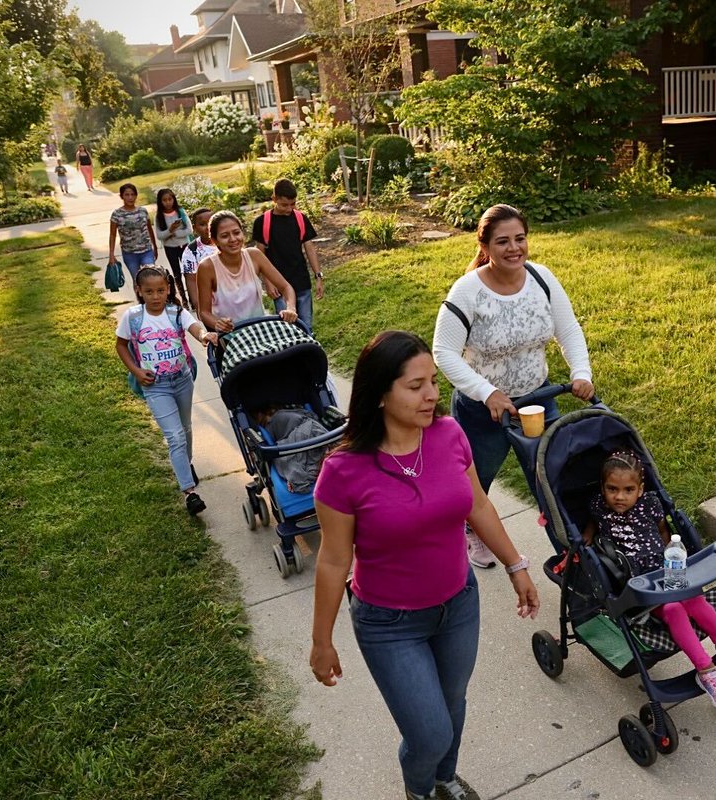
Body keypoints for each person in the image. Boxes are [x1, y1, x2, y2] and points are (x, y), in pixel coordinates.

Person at [311, 330, 540, 800]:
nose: (433, 395)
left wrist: (516, 565)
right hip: (389, 622)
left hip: (459, 604)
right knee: (430, 732)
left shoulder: (449, 435)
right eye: (416, 387)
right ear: (379, 395)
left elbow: (477, 505)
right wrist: (321, 641)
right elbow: (334, 562)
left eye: (433, 382)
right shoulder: (344, 472)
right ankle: (419, 791)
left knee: (453, 706)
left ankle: (444, 780)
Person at [433, 203, 595, 569]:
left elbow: (567, 330)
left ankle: (573, 557)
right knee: (479, 479)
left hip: (538, 401)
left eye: (520, 239)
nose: (514, 248)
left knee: (551, 479)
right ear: (485, 246)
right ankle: (472, 530)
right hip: (482, 408)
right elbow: (443, 352)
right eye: (503, 241)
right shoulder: (467, 291)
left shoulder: (541, 279)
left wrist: (580, 372)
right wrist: (486, 392)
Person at [583, 450, 716, 710]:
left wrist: (672, 557)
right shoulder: (599, 506)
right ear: (603, 488)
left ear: (640, 489)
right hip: (640, 584)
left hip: (667, 569)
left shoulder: (650, 503)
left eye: (628, 489)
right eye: (612, 489)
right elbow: (592, 526)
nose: (619, 497)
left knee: (693, 597)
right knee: (674, 608)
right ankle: (707, 671)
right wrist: (585, 538)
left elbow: (664, 530)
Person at [114, 266, 218, 515]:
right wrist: (137, 371)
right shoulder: (133, 317)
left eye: (161, 290)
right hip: (155, 386)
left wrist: (204, 337)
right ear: (139, 291)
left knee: (186, 429)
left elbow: (195, 328)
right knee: (174, 436)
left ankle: (187, 463)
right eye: (149, 292)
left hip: (181, 380)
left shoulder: (176, 312)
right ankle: (189, 492)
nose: (156, 296)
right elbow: (121, 346)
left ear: (168, 289)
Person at [197, 210, 297, 333]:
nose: (233, 239)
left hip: (260, 330)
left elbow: (286, 287)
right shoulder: (207, 267)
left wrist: (291, 308)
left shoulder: (254, 255)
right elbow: (204, 312)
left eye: (236, 233)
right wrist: (218, 323)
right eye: (224, 236)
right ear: (215, 240)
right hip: (231, 336)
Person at [251, 179, 324, 334]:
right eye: (285, 205)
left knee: (306, 327)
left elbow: (309, 248)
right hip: (279, 285)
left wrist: (318, 276)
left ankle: (307, 356)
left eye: (293, 204)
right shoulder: (262, 222)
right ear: (274, 199)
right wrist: (268, 283)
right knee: (287, 329)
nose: (289, 209)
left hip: (301, 281)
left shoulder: (300, 218)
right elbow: (260, 255)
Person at [108, 183, 158, 285]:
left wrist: (155, 247)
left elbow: (149, 229)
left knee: (150, 278)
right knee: (137, 282)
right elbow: (112, 235)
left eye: (132, 194)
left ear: (136, 195)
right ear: (122, 196)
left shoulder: (143, 211)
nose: (130, 197)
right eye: (127, 195)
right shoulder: (117, 214)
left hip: (146, 251)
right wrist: (111, 255)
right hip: (129, 253)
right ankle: (141, 300)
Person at [155, 188, 193, 306]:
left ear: (174, 199)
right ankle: (184, 299)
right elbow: (160, 235)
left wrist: (176, 233)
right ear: (160, 202)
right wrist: (170, 231)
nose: (168, 202)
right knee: (177, 273)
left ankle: (192, 298)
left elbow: (190, 230)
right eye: (164, 200)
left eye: (170, 199)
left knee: (189, 272)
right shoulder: (159, 216)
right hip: (170, 247)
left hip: (184, 246)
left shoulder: (180, 211)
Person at [179, 207, 216, 314]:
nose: (208, 227)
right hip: (211, 305)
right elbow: (191, 280)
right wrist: (198, 307)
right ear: (195, 228)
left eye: (211, 223)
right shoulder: (192, 251)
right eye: (203, 224)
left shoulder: (226, 242)